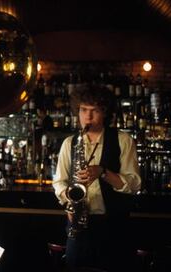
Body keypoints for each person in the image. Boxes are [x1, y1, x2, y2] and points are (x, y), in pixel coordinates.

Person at [52, 84, 141, 271]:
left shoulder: (123, 140)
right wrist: (69, 202)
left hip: (113, 227)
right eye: (83, 110)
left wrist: (103, 172)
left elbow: (134, 183)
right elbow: (59, 182)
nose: (88, 116)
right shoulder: (70, 143)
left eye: (94, 111)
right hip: (78, 225)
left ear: (105, 112)